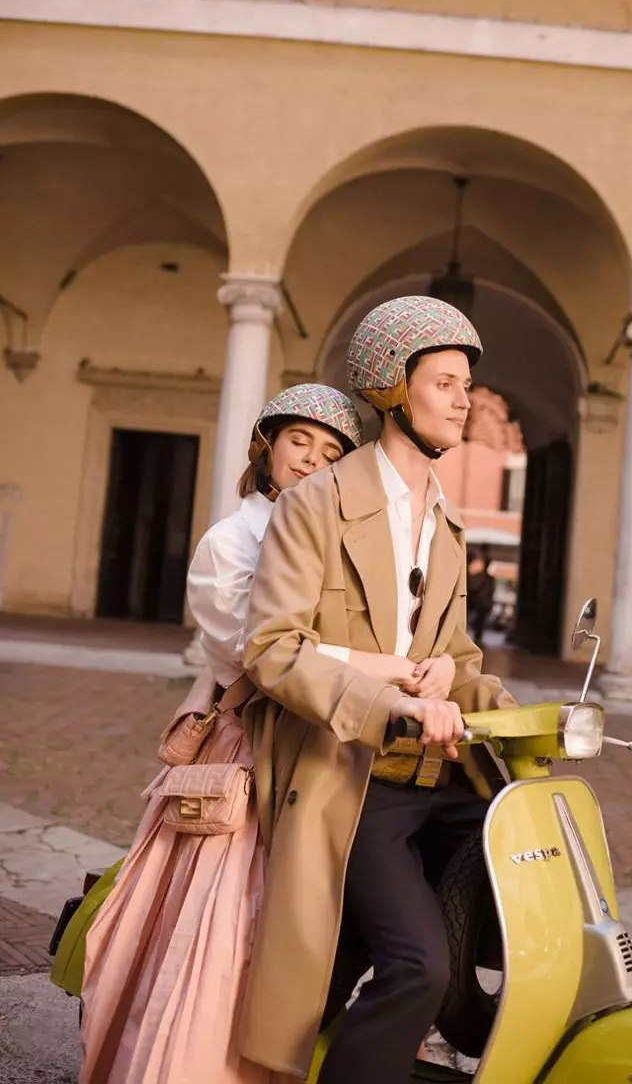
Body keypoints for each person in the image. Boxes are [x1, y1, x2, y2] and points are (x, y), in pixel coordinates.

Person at [237, 297, 517, 1084]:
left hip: (438, 768)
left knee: (528, 845)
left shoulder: (446, 523)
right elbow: (272, 649)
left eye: (468, 384)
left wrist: (503, 703)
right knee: (417, 965)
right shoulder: (314, 506)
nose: (467, 399)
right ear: (393, 386)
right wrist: (394, 700)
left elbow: (457, 658)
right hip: (354, 777)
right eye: (447, 382)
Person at [79, 384, 379, 1084]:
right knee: (222, 928)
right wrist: (379, 665)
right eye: (300, 442)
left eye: (331, 452)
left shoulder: (323, 542)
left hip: (316, 752)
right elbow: (263, 655)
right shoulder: (230, 541)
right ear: (267, 446)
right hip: (247, 750)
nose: (312, 460)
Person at [466, 547, 495, 647]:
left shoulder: (479, 577)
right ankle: (476, 639)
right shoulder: (486, 578)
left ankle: (477, 638)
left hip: (479, 604)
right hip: (479, 604)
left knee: (478, 623)